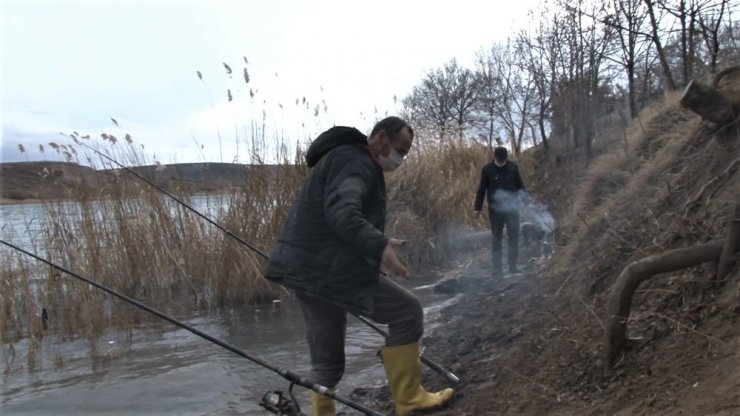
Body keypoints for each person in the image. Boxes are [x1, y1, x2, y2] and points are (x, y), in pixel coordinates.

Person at [264, 116, 454, 416]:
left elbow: (335, 224)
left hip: (307, 272)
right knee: (407, 312)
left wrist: (369, 257)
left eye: (405, 153)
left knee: (327, 363)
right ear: (380, 139)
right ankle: (410, 400)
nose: (400, 159)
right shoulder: (356, 162)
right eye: (400, 150)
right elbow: (342, 213)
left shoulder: (343, 158)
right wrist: (380, 245)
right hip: (326, 272)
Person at [474, 146, 527, 275]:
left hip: (512, 209)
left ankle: (512, 267)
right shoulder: (487, 169)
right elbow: (481, 189)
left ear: (506, 158)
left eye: (503, 160)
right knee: (496, 239)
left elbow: (520, 186)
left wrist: (526, 202)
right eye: (499, 160)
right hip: (495, 210)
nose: (501, 162)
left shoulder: (513, 167)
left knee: (513, 238)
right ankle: (497, 269)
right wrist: (477, 208)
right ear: (494, 157)